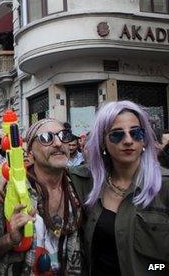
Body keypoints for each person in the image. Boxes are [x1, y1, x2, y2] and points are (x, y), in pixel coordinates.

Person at [70, 101, 169, 276]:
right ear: (103, 142)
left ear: (144, 138)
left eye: (136, 133)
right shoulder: (87, 182)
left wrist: (151, 270)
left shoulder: (164, 185)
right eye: (117, 135)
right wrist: (5, 178)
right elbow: (48, 176)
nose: (128, 140)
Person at [0, 118, 83, 275]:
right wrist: (10, 239)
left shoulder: (80, 183)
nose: (59, 143)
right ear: (30, 151)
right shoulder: (9, 190)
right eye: (47, 138)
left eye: (64, 136)